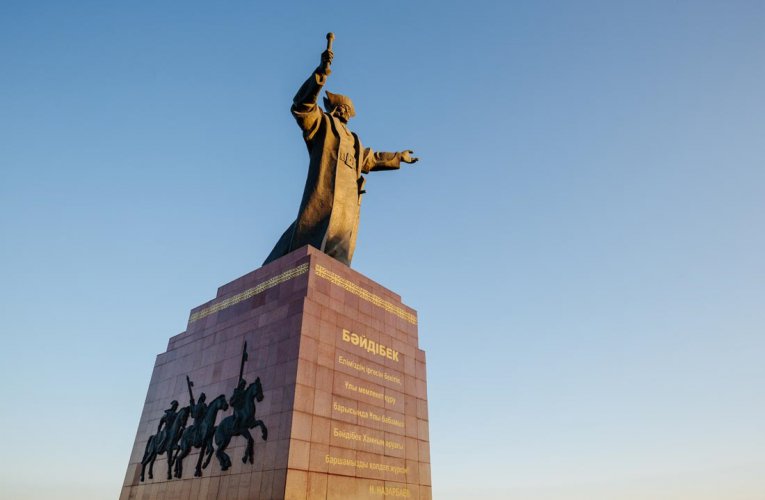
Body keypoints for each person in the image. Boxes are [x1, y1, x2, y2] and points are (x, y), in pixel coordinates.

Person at [264, 46, 418, 266]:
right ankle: (281, 266)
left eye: (348, 109)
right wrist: (321, 74)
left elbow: (369, 159)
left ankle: (328, 271)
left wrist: (398, 156)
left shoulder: (354, 139)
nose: (347, 112)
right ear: (336, 109)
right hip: (326, 190)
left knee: (339, 238)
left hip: (348, 196)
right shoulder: (323, 125)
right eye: (344, 108)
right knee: (313, 230)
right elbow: (302, 106)